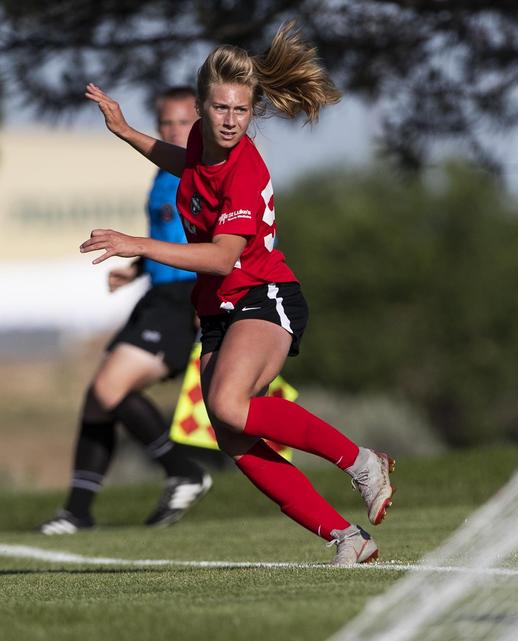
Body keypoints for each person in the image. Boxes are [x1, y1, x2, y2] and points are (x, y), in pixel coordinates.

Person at [79, 21, 396, 566]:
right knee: (232, 435)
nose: (230, 120)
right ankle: (348, 539)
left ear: (252, 113)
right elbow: (187, 163)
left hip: (265, 295)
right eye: (221, 108)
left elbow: (223, 257)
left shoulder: (246, 170)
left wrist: (139, 244)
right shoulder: (203, 140)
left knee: (229, 404)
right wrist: (127, 131)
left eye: (241, 111)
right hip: (219, 308)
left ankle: (361, 461)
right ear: (202, 107)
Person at [41, 87, 213, 535]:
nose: (174, 130)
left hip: (183, 300)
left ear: (200, 122)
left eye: (183, 122)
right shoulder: (163, 173)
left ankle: (184, 470)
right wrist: (137, 268)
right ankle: (77, 510)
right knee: (99, 401)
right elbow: (173, 241)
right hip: (155, 297)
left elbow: (217, 244)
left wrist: (208, 299)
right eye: (166, 123)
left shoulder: (199, 172)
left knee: (109, 388)